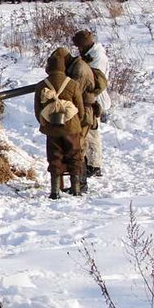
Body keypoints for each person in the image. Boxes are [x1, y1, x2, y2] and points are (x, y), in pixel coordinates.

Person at [34, 50, 86, 199]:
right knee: (74, 155)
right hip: (72, 127)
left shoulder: (41, 86)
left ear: (48, 68)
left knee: (54, 157)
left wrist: (46, 123)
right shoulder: (73, 84)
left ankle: (55, 191)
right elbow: (80, 109)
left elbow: (38, 111)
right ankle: (76, 189)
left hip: (52, 128)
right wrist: (76, 123)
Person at [71, 30, 111, 179]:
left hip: (94, 99)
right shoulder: (91, 55)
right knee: (88, 133)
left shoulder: (97, 58)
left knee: (92, 133)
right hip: (90, 98)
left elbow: (90, 79)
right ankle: (90, 162)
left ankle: (94, 165)